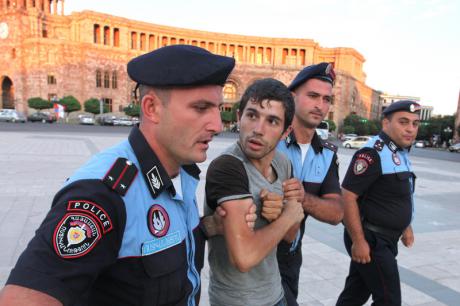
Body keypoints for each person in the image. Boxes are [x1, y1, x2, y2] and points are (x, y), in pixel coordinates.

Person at [0, 45, 257, 306]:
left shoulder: (181, 171)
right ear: (152, 108)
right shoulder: (103, 194)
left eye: (218, 108)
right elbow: (21, 299)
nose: (216, 125)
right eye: (201, 108)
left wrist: (206, 228)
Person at [204, 78, 305, 306]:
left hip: (275, 291)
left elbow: (289, 236)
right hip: (238, 300)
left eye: (272, 121)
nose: (258, 130)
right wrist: (288, 216)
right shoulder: (227, 167)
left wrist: (284, 211)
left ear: (286, 131)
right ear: (239, 117)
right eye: (252, 116)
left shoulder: (283, 163)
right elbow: (244, 258)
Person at [268, 62, 343, 306]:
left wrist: (303, 196)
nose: (320, 105)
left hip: (291, 256)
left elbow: (336, 213)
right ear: (292, 97)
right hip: (259, 254)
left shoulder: (326, 154)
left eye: (326, 99)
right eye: (312, 96)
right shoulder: (268, 142)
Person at [336, 100, 421, 306]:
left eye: (415, 123)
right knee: (389, 300)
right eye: (403, 122)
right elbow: (347, 196)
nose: (410, 129)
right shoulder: (372, 153)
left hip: (385, 239)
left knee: (354, 295)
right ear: (386, 123)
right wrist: (358, 241)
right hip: (372, 239)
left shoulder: (399, 152)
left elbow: (397, 195)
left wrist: (406, 225)